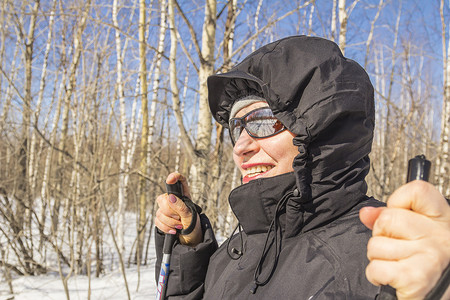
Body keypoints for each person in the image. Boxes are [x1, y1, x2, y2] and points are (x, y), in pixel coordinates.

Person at [154, 35, 450, 299]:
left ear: (322, 131)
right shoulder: (239, 249)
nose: (240, 147)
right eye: (237, 127)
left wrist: (440, 287)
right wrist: (189, 241)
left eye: (263, 121)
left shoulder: (385, 258)